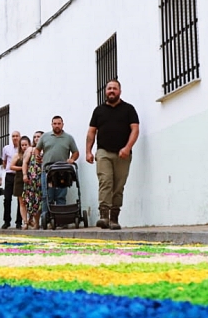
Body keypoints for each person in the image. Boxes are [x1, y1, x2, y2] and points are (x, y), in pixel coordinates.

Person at [85, 80, 140, 230]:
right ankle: (104, 216)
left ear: (120, 91)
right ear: (105, 91)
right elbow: (91, 132)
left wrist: (128, 147)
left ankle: (114, 219)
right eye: (109, 88)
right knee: (105, 181)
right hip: (103, 152)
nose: (111, 91)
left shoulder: (129, 109)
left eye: (114, 88)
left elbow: (135, 129)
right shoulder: (98, 111)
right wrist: (88, 151)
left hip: (123, 154)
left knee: (118, 186)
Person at [38, 116, 79, 225]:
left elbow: (75, 152)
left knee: (61, 196)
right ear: (51, 124)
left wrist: (72, 159)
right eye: (55, 123)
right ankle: (46, 219)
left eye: (59, 123)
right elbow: (37, 149)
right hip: (47, 170)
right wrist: (39, 157)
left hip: (63, 171)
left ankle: (61, 220)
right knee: (47, 196)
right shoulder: (45, 137)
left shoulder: (68, 138)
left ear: (62, 124)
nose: (57, 125)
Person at [22, 132, 45, 229]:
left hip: (43, 177)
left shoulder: (46, 149)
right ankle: (34, 222)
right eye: (34, 137)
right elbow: (25, 163)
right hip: (32, 179)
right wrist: (24, 174)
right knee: (33, 200)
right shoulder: (30, 150)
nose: (36, 138)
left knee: (42, 200)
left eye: (38, 136)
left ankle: (41, 221)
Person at [1, 130, 22, 229]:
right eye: (13, 136)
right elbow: (4, 161)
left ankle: (19, 222)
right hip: (9, 175)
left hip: (19, 175)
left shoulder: (22, 148)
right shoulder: (6, 148)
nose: (15, 138)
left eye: (17, 136)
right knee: (7, 199)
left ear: (20, 137)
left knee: (20, 199)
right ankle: (7, 221)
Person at [11, 135, 31, 228]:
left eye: (25, 145)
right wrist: (23, 168)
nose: (24, 147)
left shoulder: (32, 153)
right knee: (21, 202)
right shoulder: (17, 155)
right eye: (22, 145)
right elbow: (11, 166)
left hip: (30, 179)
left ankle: (31, 220)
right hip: (19, 179)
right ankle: (25, 221)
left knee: (31, 201)